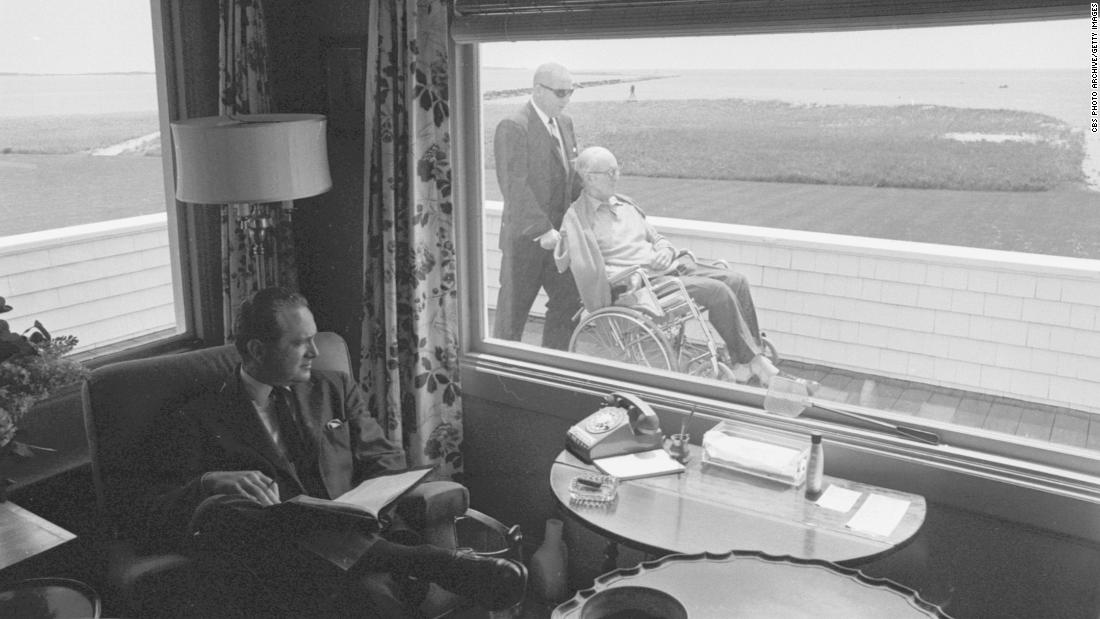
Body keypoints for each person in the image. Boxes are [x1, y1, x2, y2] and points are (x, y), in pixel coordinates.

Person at [144, 287, 526, 616]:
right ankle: (430, 563)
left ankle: (397, 559)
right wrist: (211, 481)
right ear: (257, 349)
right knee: (222, 511)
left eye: (313, 338)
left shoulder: (335, 389)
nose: (314, 351)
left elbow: (385, 461)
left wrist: (366, 506)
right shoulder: (199, 417)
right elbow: (153, 511)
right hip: (277, 565)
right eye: (298, 342)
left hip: (351, 539)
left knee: (365, 595)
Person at [554, 146, 780, 386]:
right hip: (643, 284)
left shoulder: (626, 206)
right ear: (589, 177)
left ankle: (747, 362)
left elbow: (658, 238)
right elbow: (588, 270)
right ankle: (754, 362)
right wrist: (629, 278)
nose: (615, 177)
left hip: (668, 267)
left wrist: (665, 251)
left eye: (616, 170)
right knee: (718, 291)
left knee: (736, 279)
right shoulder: (578, 220)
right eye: (609, 172)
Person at [493, 61, 584, 350]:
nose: (567, 99)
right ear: (538, 90)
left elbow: (571, 178)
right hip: (525, 242)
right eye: (560, 92)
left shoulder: (565, 123)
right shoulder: (514, 126)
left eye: (571, 91)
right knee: (512, 317)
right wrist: (542, 229)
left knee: (569, 301)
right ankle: (502, 378)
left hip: (559, 242)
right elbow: (514, 186)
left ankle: (553, 367)